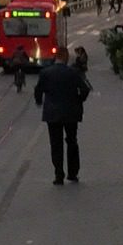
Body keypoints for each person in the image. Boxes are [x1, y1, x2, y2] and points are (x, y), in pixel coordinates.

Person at [34, 44, 89, 185]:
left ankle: (59, 175)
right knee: (72, 141)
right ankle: (73, 173)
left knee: (56, 143)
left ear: (55, 57)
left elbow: (39, 90)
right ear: (66, 57)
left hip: (52, 113)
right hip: (71, 113)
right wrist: (78, 100)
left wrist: (39, 101)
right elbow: (85, 89)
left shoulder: (46, 72)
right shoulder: (73, 72)